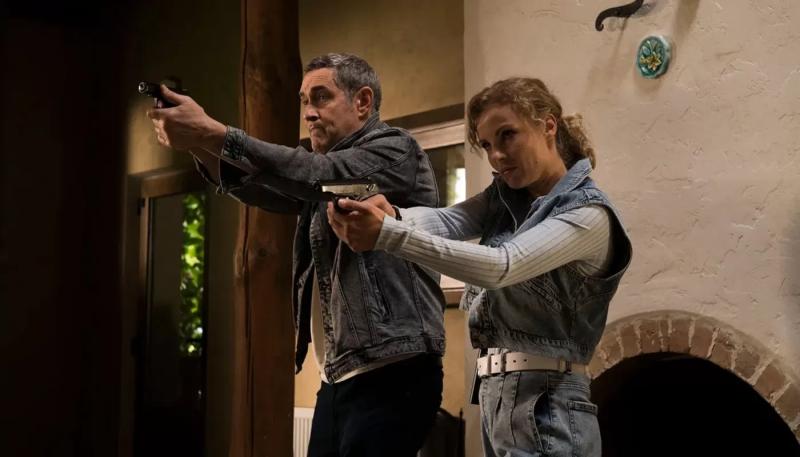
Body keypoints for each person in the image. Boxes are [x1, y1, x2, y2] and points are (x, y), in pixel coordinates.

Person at [148, 53, 446, 457]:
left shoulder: (395, 149)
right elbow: (264, 188)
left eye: (321, 97)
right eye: (304, 101)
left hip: (395, 371)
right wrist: (198, 144)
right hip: (339, 376)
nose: (308, 112)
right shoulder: (320, 177)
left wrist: (213, 132)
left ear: (362, 101)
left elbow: (313, 174)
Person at [327, 77, 633, 457]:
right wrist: (393, 215)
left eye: (508, 135)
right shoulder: (506, 197)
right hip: (500, 398)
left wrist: (389, 235)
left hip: (549, 403)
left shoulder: (589, 214)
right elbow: (449, 220)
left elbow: (502, 266)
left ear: (548, 126)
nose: (497, 155)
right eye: (487, 145)